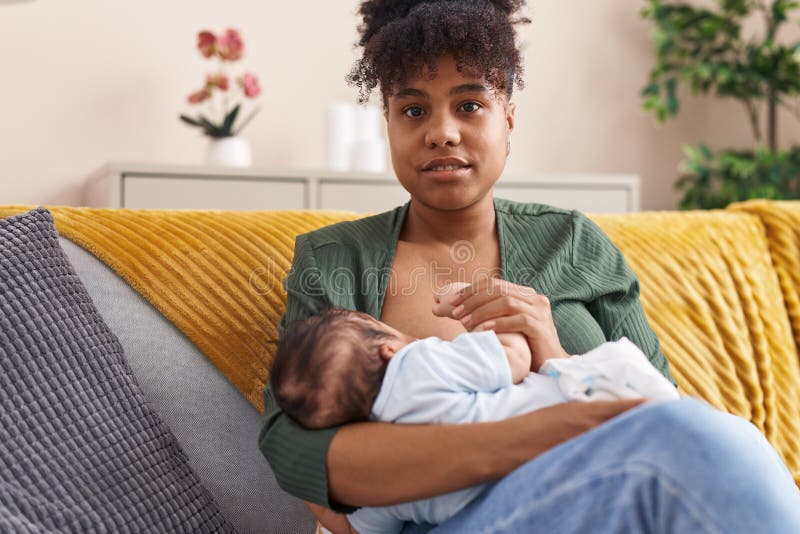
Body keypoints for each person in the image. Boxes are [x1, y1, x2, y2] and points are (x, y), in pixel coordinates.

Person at [258, 1, 800, 532]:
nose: (441, 132)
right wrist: (559, 426)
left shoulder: (573, 241)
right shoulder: (332, 261)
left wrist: (552, 350)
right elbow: (297, 451)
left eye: (469, 105)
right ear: (389, 125)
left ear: (509, 120)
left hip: (603, 498)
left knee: (710, 440)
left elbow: (659, 401)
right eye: (414, 109)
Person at [270, 307, 679, 533]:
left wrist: (315, 502)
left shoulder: (382, 477)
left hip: (524, 505)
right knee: (617, 368)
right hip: (581, 414)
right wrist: (491, 329)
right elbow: (515, 359)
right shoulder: (418, 363)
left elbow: (350, 529)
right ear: (388, 349)